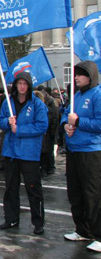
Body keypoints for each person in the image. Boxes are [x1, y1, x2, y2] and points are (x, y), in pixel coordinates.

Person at [0, 72, 48, 235]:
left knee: (33, 188)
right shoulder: (9, 101)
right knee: (11, 188)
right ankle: (11, 218)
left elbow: (42, 126)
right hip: (11, 151)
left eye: (24, 83)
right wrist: (7, 122)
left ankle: (38, 221)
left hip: (29, 153)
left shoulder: (37, 104)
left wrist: (19, 129)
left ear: (29, 85)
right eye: (19, 83)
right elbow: (0, 120)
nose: (21, 87)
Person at [61, 61, 101, 253]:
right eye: (75, 74)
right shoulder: (76, 95)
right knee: (75, 192)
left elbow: (99, 124)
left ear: (90, 76)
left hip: (91, 151)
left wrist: (78, 121)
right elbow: (65, 115)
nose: (76, 77)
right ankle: (82, 229)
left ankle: (99, 234)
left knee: (92, 194)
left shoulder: (98, 95)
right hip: (73, 150)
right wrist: (66, 125)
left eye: (80, 74)